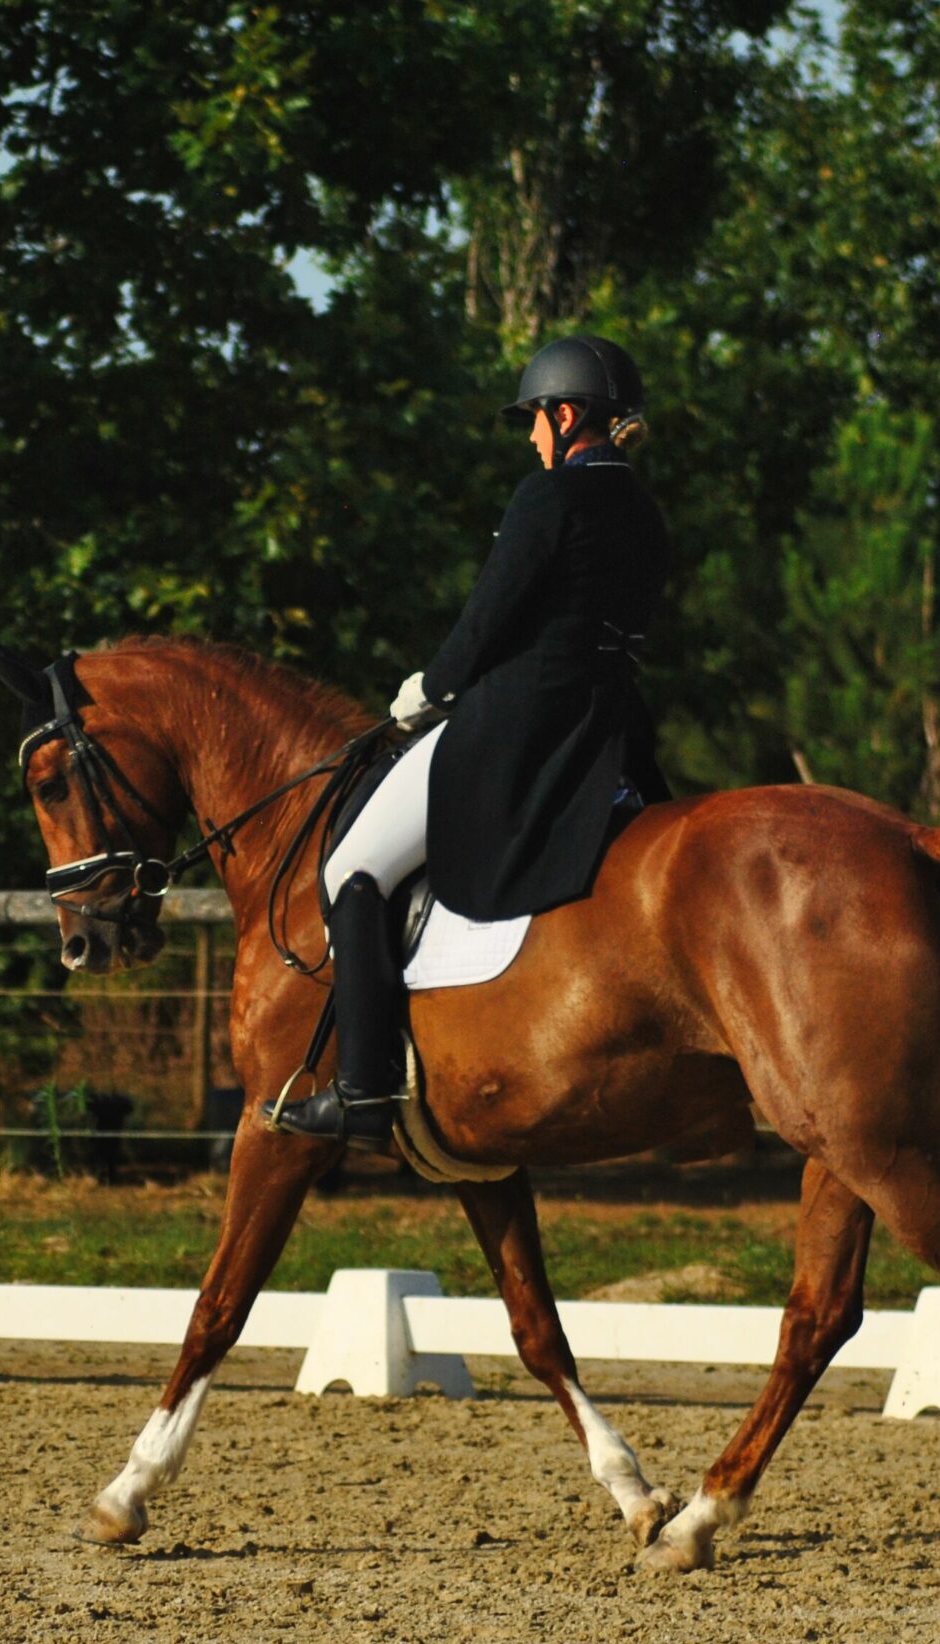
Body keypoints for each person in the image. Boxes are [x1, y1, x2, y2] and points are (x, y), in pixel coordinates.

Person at [267, 334, 674, 1142]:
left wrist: (428, 691)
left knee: (352, 869)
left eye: (534, 419)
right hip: (609, 734)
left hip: (517, 725)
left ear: (565, 415)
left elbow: (491, 616)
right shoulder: (646, 511)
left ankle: (363, 1092)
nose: (529, 436)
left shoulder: (545, 498)